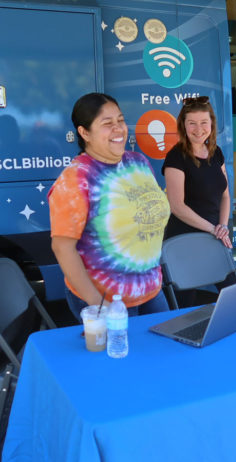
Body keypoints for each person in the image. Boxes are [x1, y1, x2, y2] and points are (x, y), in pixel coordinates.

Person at [48, 92, 171, 322]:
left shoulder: (139, 162)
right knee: (126, 357)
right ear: (85, 133)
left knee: (166, 353)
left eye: (120, 120)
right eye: (107, 123)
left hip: (152, 289)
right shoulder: (75, 179)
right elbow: (63, 248)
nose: (118, 129)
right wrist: (99, 305)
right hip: (107, 300)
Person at [162, 96, 234, 307]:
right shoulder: (176, 157)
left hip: (214, 236)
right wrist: (213, 229)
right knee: (184, 304)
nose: (198, 129)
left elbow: (226, 195)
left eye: (204, 122)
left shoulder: (216, 152)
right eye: (192, 123)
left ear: (211, 123)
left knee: (233, 295)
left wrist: (222, 226)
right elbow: (177, 207)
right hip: (184, 240)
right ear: (183, 125)